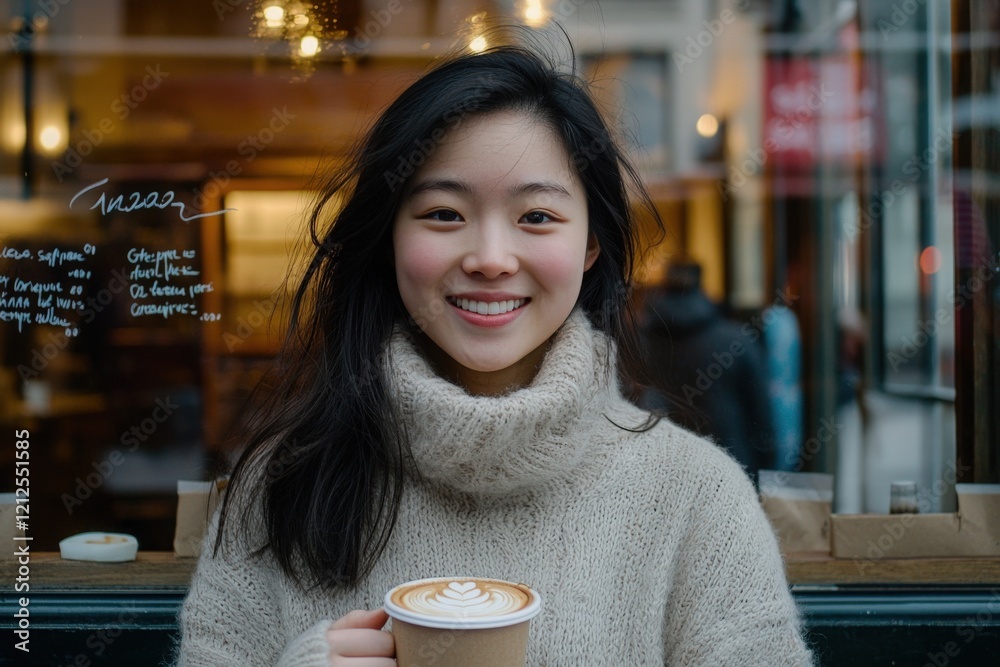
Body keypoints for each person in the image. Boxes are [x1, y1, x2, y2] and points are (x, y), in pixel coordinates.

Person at [175, 42, 814, 667]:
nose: (489, 258)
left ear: (591, 245)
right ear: (388, 237)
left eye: (536, 217)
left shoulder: (696, 498)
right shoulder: (280, 487)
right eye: (444, 213)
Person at [637, 261, 776, 483]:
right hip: (729, 473)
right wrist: (763, 467)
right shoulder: (736, 341)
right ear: (701, 286)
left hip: (658, 474)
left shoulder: (636, 343)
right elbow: (762, 418)